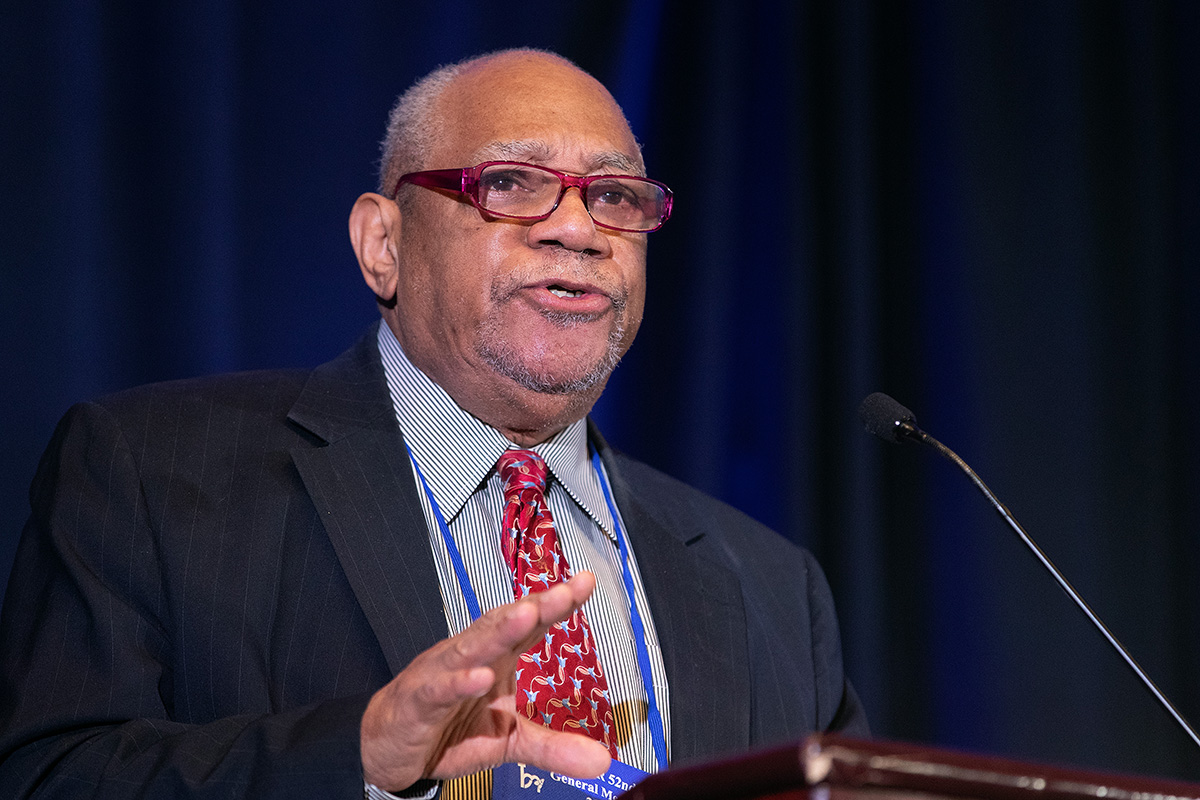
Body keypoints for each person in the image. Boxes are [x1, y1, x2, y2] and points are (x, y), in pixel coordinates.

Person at [0, 49, 867, 799]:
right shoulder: (152, 473)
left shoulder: (772, 589)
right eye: (511, 184)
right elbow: (52, 781)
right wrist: (366, 760)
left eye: (614, 197)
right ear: (385, 245)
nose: (577, 228)